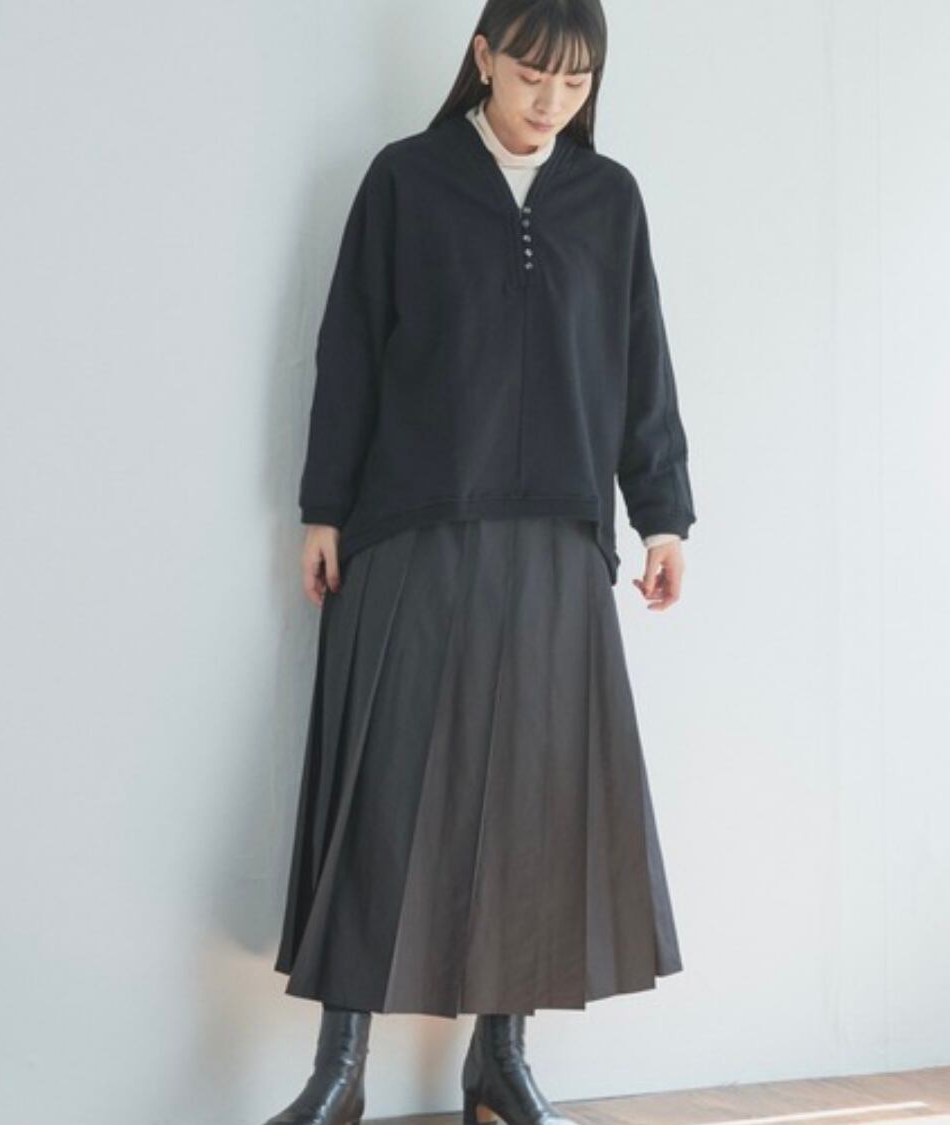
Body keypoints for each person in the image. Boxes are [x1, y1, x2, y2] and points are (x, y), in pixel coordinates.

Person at [264, 2, 696, 1124]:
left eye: (576, 82)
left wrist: (662, 517)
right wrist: (324, 507)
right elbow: (349, 347)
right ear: (483, 58)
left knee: (534, 801)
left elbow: (640, 361)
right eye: (532, 74)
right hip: (411, 523)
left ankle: (499, 1060)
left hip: (557, 535)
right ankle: (339, 1071)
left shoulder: (609, 200)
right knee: (382, 791)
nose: (551, 101)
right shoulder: (404, 180)